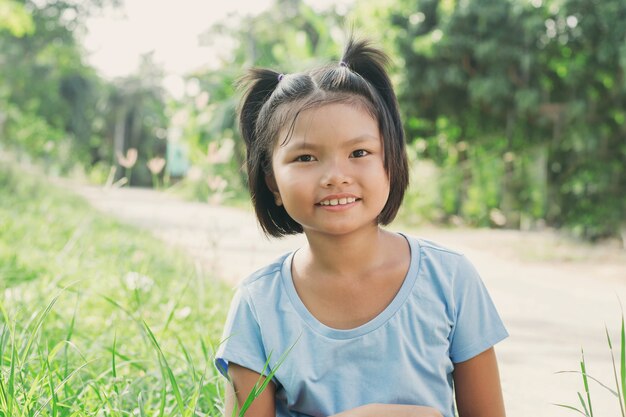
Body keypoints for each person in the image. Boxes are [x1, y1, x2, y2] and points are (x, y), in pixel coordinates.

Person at [215, 37, 508, 417]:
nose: (336, 177)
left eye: (359, 153)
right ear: (271, 181)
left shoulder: (450, 279)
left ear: (390, 160)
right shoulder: (257, 304)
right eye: (305, 157)